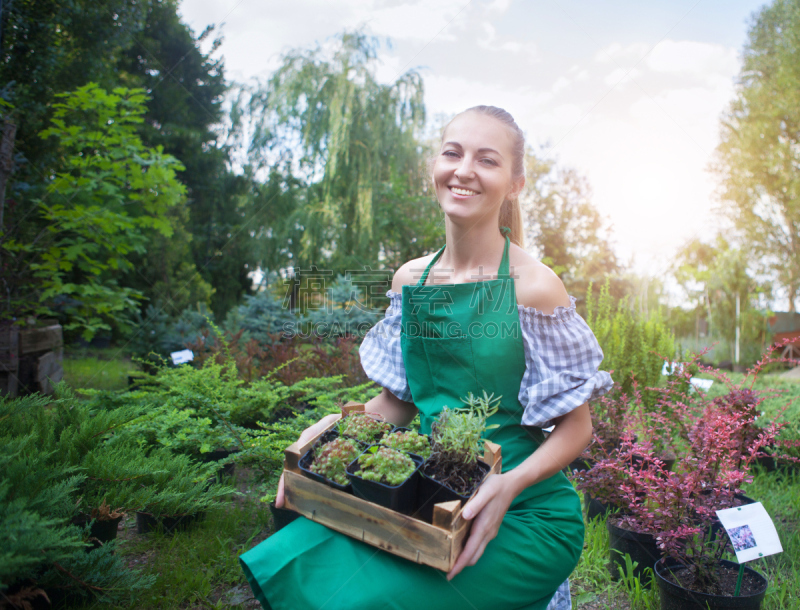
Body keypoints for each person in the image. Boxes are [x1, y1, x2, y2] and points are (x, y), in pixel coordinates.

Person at [239, 105, 614, 610]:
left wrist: (509, 484)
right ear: (434, 168)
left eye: (487, 160)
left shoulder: (534, 288)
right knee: (299, 556)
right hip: (427, 498)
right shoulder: (410, 280)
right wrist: (335, 427)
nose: (463, 170)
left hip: (525, 510)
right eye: (452, 153)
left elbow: (577, 428)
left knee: (363, 600)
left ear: (515, 184)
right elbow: (400, 404)